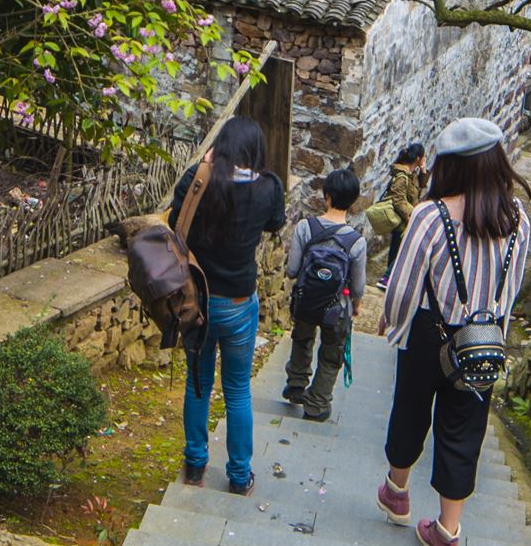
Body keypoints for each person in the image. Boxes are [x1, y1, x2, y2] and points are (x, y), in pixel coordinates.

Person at [375, 117, 531, 546]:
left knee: (410, 409)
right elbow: (513, 288)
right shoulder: (518, 219)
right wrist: (496, 338)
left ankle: (397, 492)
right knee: (464, 431)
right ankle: (447, 530)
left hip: (429, 334)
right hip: (483, 342)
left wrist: (394, 324)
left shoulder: (430, 215)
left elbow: (404, 286)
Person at [167, 116, 285, 495]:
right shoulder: (268, 188)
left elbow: (173, 222)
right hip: (238, 303)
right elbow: (275, 223)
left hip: (196, 304)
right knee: (237, 391)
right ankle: (238, 476)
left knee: (198, 385)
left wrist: (202, 166)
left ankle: (195, 466)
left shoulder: (198, 181)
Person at [281, 167, 369, 423]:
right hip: (336, 307)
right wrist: (357, 306)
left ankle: (296, 385)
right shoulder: (356, 241)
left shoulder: (305, 228)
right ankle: (317, 404)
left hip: (306, 301)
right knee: (332, 354)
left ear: (326, 195)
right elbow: (358, 286)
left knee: (302, 338)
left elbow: (292, 270)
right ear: (353, 201)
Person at [375, 142, 426, 288]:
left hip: (406, 220)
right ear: (418, 158)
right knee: (398, 250)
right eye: (422, 158)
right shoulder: (402, 176)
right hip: (402, 221)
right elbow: (398, 200)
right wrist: (410, 218)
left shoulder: (412, 175)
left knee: (398, 249)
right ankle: (386, 278)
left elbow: (421, 186)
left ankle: (389, 278)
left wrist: (423, 171)